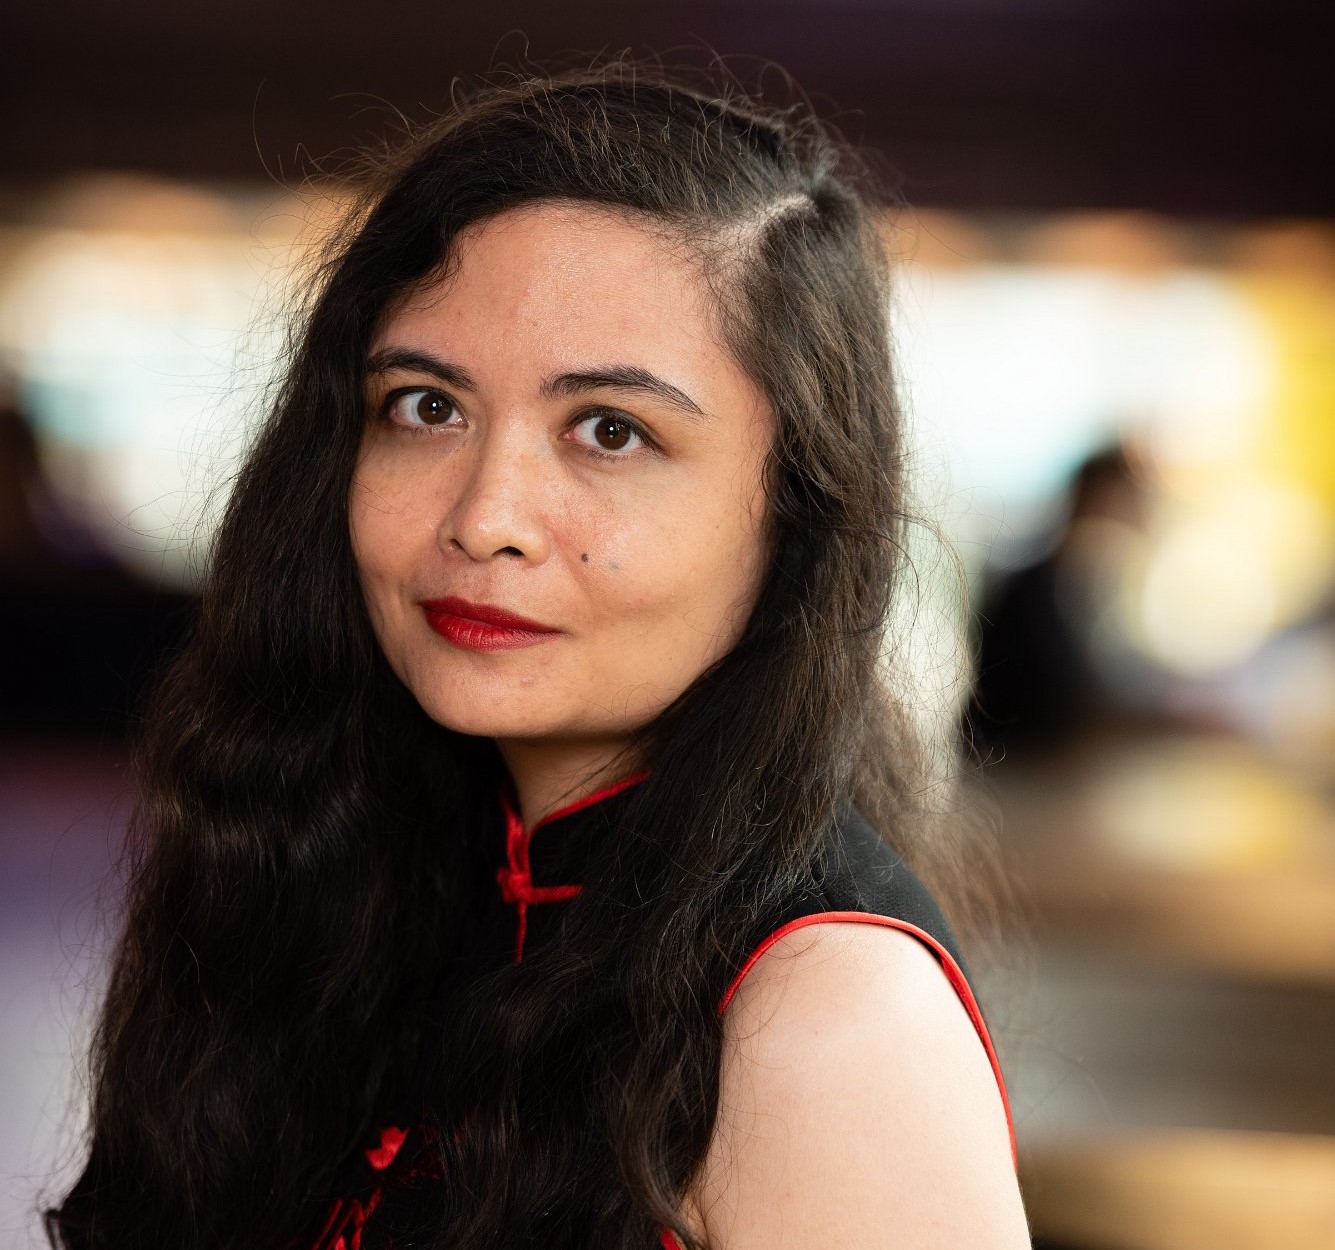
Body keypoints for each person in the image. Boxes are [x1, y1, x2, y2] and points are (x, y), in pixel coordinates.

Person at [47, 60, 1030, 1250]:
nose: (484, 515)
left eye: (610, 430)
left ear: (797, 518)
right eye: (426, 407)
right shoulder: (330, 863)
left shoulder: (830, 1020)